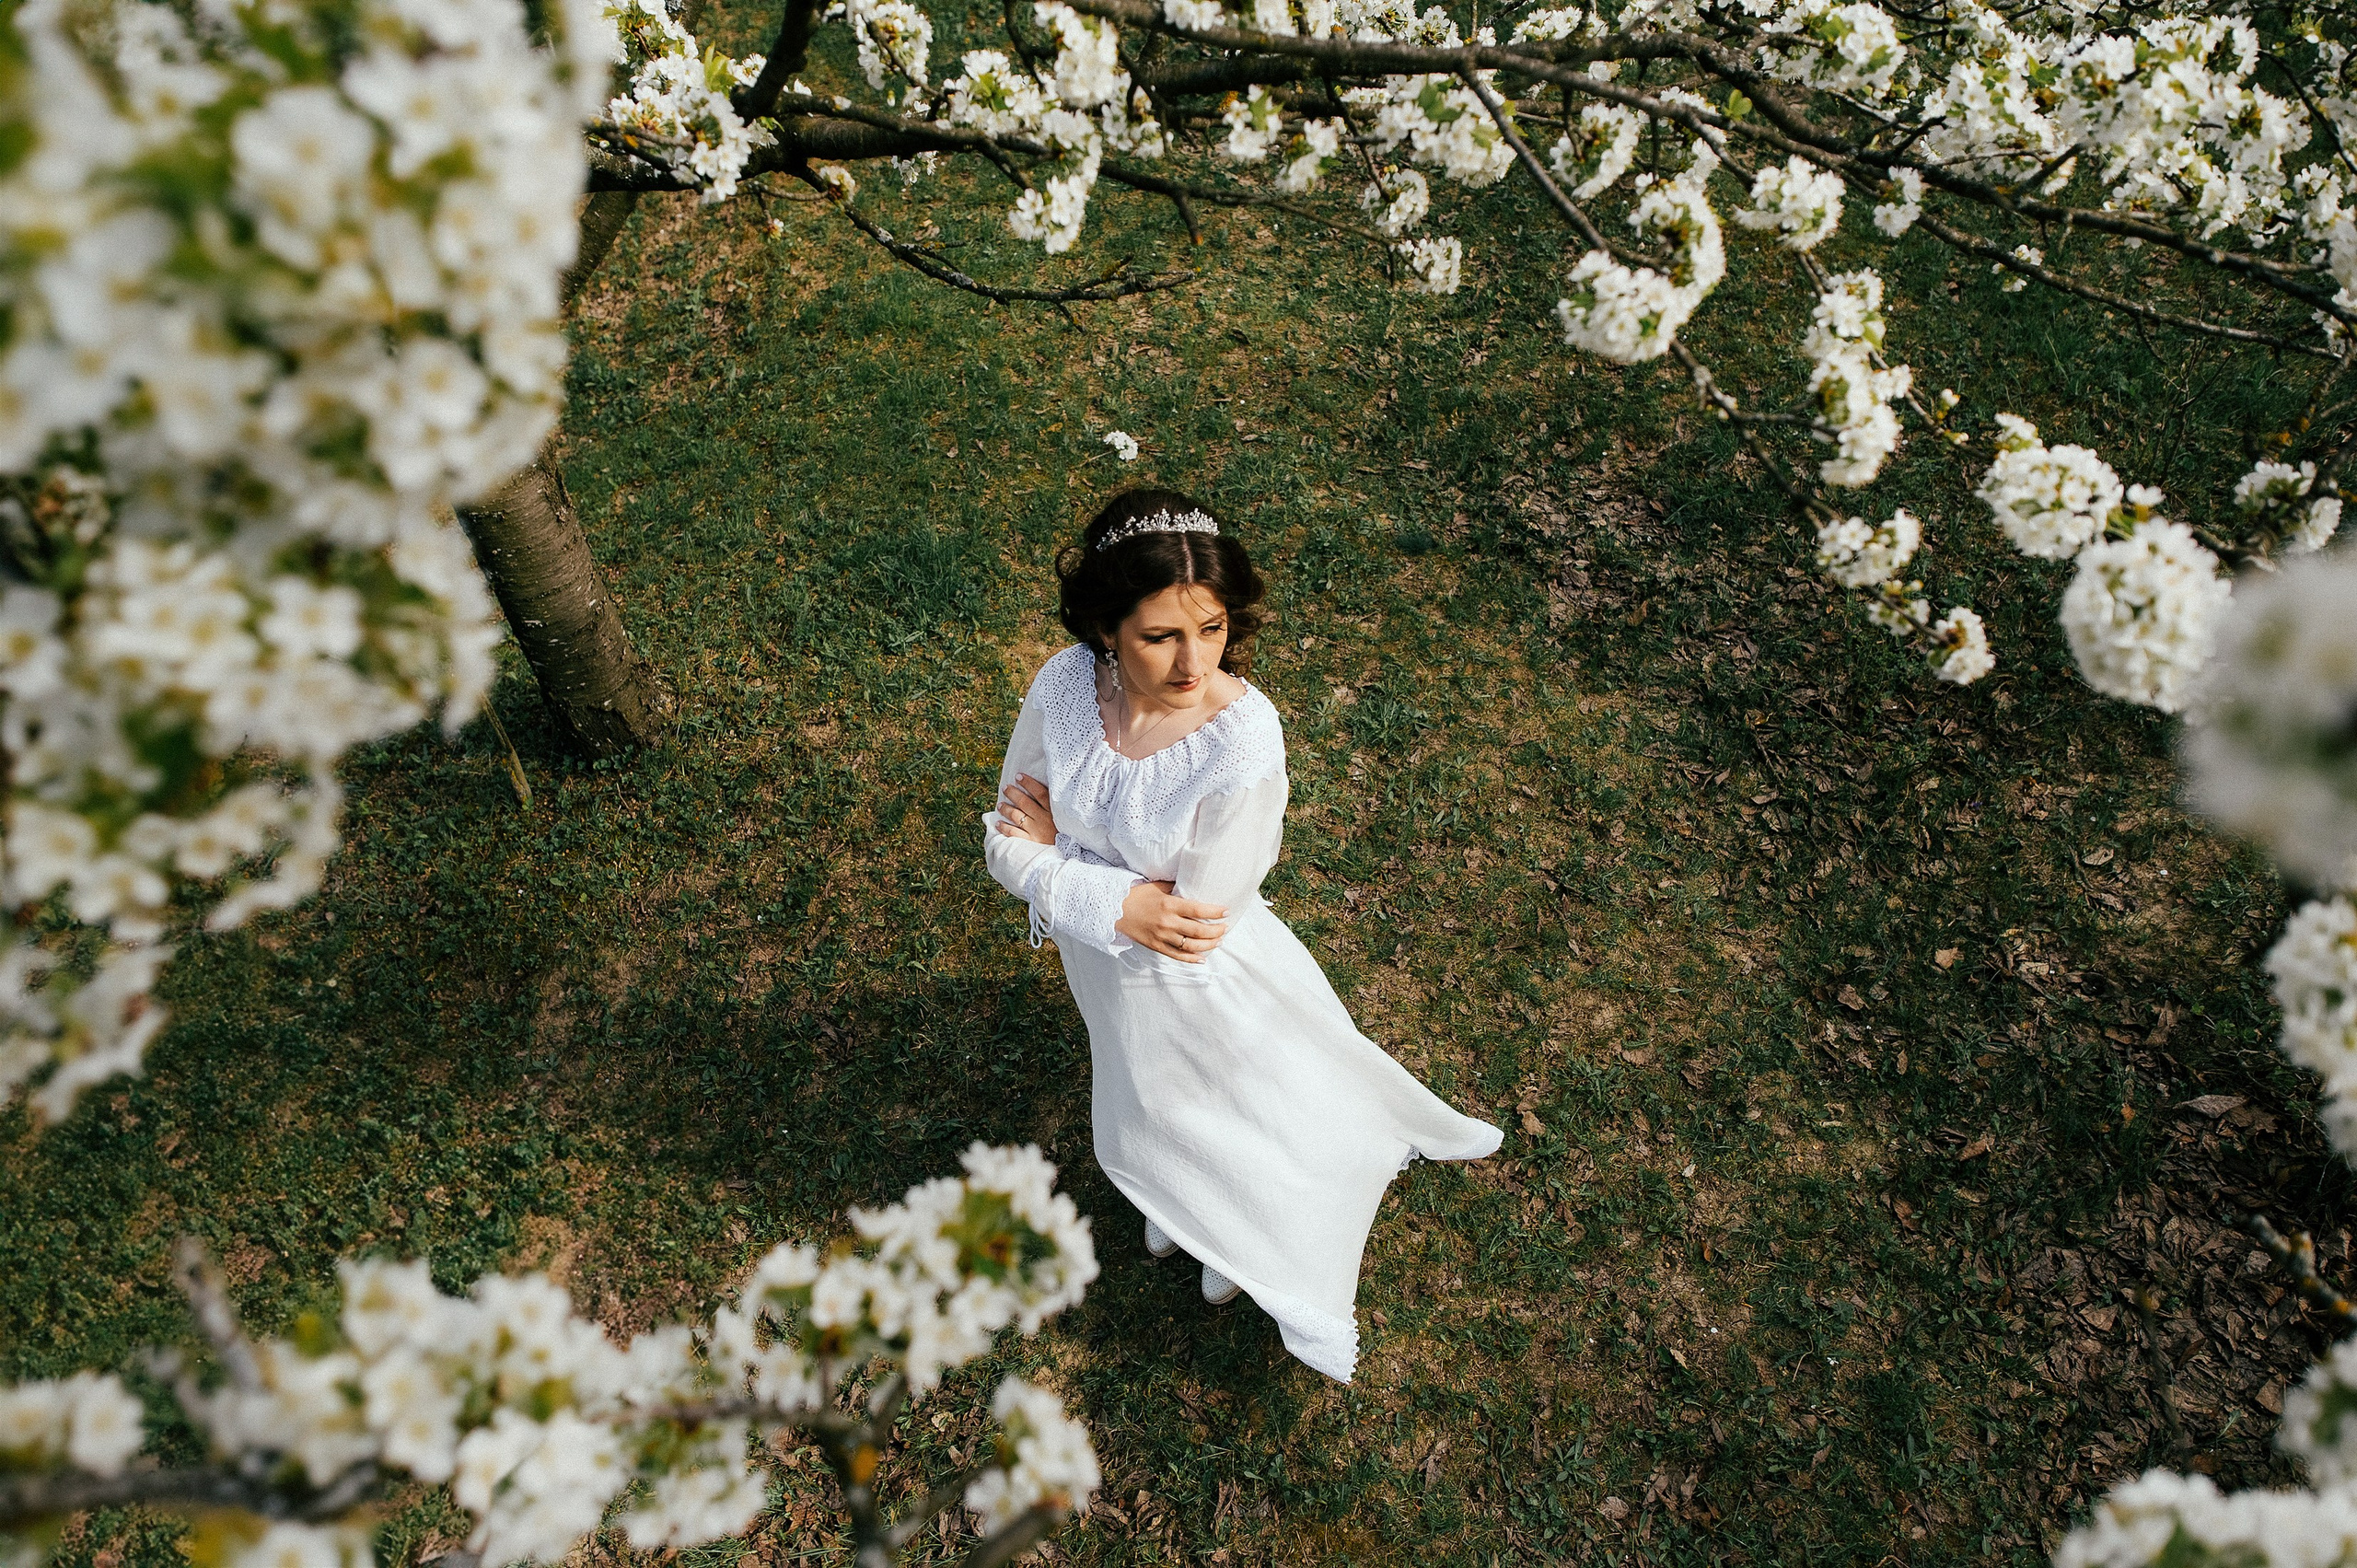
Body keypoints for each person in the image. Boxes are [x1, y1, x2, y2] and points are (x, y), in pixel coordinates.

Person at [981, 487, 1502, 1383]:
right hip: (1107, 979)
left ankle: (1257, 1224)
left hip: (1203, 984)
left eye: (1212, 629)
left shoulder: (1242, 743)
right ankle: (1188, 1199)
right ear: (1106, 626)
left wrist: (1058, 869)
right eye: (1159, 637)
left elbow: (1187, 923)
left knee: (1241, 1103)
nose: (1192, 662)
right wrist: (1095, 891)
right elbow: (1004, 834)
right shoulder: (1064, 686)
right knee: (1148, 1101)